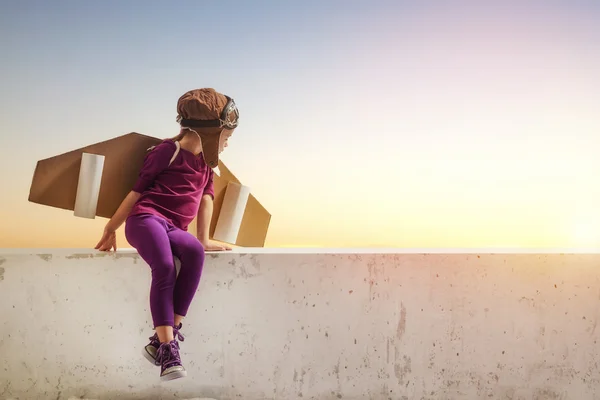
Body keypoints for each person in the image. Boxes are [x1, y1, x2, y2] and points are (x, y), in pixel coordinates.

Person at [94, 88, 239, 381]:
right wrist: (111, 228)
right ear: (211, 132)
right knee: (165, 266)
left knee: (196, 254)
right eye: (226, 138)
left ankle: (163, 338)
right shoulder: (167, 152)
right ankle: (168, 348)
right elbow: (136, 193)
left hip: (174, 228)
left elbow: (205, 200)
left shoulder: (207, 165)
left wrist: (205, 239)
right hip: (146, 220)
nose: (225, 146)